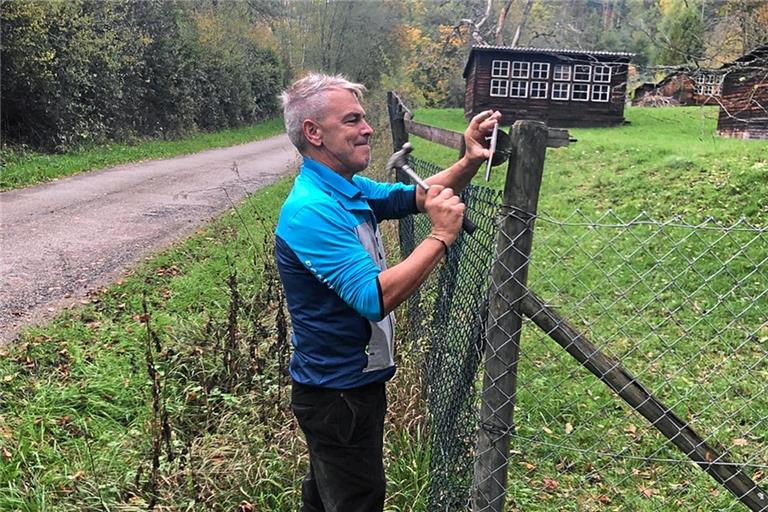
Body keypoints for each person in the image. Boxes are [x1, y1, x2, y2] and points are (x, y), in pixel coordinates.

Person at [275, 72, 500, 512]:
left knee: (327, 497)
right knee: (357, 500)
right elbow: (372, 297)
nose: (368, 128)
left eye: (365, 118)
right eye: (353, 120)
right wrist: (440, 237)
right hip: (338, 396)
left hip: (348, 388)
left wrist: (469, 159)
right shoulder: (312, 210)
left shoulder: (345, 188)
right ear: (313, 132)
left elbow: (413, 196)